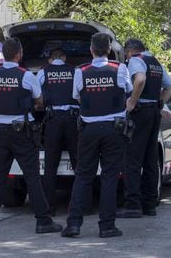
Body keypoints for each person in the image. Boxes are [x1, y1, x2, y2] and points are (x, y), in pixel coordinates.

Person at [0, 37, 62, 235]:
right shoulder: (25, 76)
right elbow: (39, 100)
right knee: (32, 176)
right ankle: (43, 220)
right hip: (22, 132)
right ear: (18, 54)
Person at [61, 33, 133, 238]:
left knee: (83, 175)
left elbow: (76, 96)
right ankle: (107, 226)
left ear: (91, 50)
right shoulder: (120, 69)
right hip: (114, 128)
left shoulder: (80, 71)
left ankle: (74, 224)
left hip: (89, 130)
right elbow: (128, 90)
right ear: (109, 50)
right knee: (110, 176)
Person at [117, 38, 171, 218]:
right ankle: (149, 204)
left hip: (139, 113)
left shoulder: (136, 60)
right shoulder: (156, 63)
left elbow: (140, 79)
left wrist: (132, 102)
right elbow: (170, 86)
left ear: (129, 51)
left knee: (132, 158)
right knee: (150, 159)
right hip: (153, 113)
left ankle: (133, 205)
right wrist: (159, 103)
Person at [36, 48, 79, 215]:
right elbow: (80, 92)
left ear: (50, 59)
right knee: (78, 163)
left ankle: (50, 207)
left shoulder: (43, 72)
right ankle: (80, 205)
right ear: (64, 57)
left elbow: (36, 94)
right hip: (71, 120)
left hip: (52, 120)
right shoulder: (74, 71)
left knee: (50, 165)